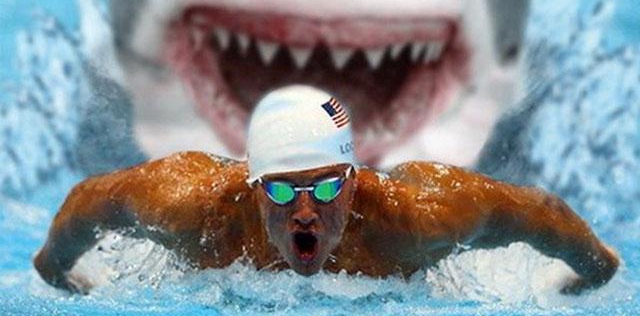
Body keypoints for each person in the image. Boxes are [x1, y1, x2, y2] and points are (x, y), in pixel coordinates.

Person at [34, 86, 619, 294]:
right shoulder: (193, 209)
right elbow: (88, 202)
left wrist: (592, 273)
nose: (306, 212)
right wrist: (58, 272)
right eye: (283, 193)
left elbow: (540, 214)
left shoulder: (419, 219)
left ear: (353, 181)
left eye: (325, 188)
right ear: (253, 186)